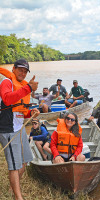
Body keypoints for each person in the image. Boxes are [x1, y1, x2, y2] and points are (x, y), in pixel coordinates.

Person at [0, 59, 39, 200]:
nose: (22, 73)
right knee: (14, 166)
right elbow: (6, 99)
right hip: (8, 129)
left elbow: (20, 111)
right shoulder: (7, 82)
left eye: (25, 71)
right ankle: (18, 197)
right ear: (13, 69)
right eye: (20, 69)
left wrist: (31, 113)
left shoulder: (21, 86)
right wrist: (28, 88)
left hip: (20, 128)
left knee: (25, 160)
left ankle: (12, 188)